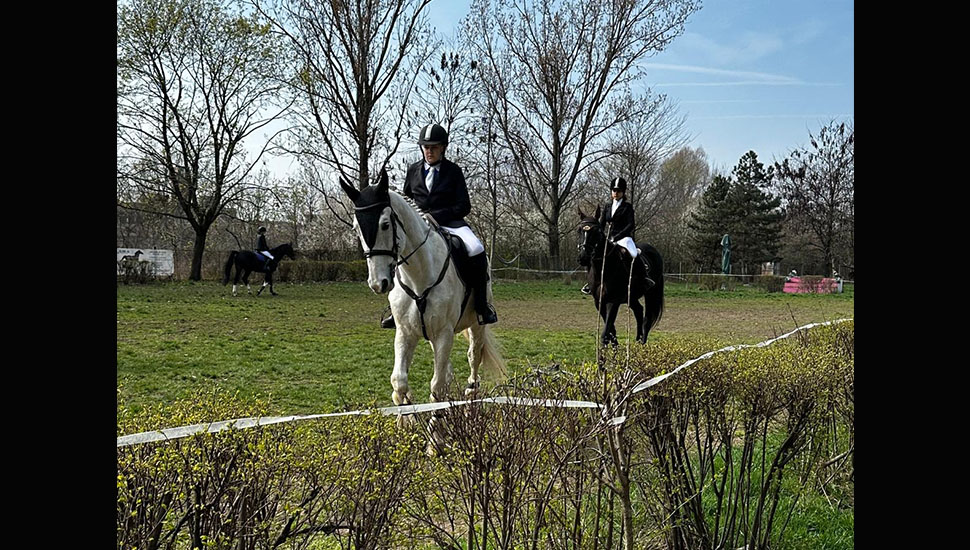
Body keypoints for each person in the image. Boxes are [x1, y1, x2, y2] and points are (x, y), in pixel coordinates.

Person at [380, 123, 498, 329]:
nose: (429, 151)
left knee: (476, 250)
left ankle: (481, 306)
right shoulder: (413, 171)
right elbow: (406, 201)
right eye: (426, 147)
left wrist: (436, 217)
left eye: (434, 147)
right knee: (399, 250)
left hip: (451, 224)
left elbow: (464, 206)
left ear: (443, 147)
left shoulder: (453, 171)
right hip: (419, 228)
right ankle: (395, 309)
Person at [581, 177, 655, 294]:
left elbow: (631, 225)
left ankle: (644, 278)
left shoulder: (627, 207)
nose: (616, 193)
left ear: (623, 192)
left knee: (633, 253)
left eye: (618, 191)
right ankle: (592, 283)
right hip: (609, 238)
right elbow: (602, 224)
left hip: (625, 238)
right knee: (595, 255)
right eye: (614, 190)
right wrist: (600, 235)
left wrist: (618, 236)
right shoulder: (607, 207)